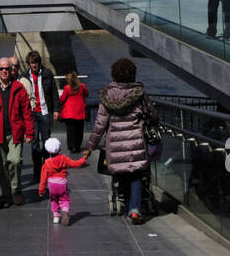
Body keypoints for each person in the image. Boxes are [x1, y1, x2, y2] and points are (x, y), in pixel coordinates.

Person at [83, 57, 159, 224]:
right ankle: (135, 210)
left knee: (122, 173)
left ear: (114, 74)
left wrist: (90, 146)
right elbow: (153, 114)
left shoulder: (107, 95)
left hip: (116, 145)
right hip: (135, 142)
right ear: (132, 74)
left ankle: (125, 206)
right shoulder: (139, 94)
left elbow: (100, 124)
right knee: (136, 174)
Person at [0, 57, 34, 207]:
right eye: (1, 69)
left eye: (7, 69)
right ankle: (6, 195)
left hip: (15, 132)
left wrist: (30, 133)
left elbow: (27, 112)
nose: (4, 71)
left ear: (11, 70)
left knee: (15, 161)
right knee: (1, 167)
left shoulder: (19, 87)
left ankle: (16, 190)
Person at [19, 50, 57, 184]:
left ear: (39, 63)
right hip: (31, 113)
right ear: (29, 64)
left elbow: (54, 93)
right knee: (34, 142)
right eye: (32, 63)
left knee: (47, 142)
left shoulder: (47, 74)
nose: (34, 65)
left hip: (45, 111)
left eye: (36, 62)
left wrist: (56, 109)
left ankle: (47, 168)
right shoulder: (24, 77)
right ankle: (37, 170)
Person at [39, 137, 88, 225]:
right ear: (60, 149)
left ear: (47, 151)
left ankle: (56, 217)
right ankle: (65, 211)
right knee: (64, 199)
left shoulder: (46, 163)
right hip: (62, 183)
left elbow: (43, 179)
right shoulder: (63, 158)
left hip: (52, 185)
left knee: (53, 200)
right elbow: (75, 164)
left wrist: (41, 190)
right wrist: (83, 159)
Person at [57, 71, 88, 152]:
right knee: (79, 130)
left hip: (69, 113)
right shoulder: (82, 86)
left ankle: (71, 146)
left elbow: (62, 99)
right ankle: (77, 146)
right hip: (80, 112)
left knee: (70, 131)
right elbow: (87, 94)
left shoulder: (67, 88)